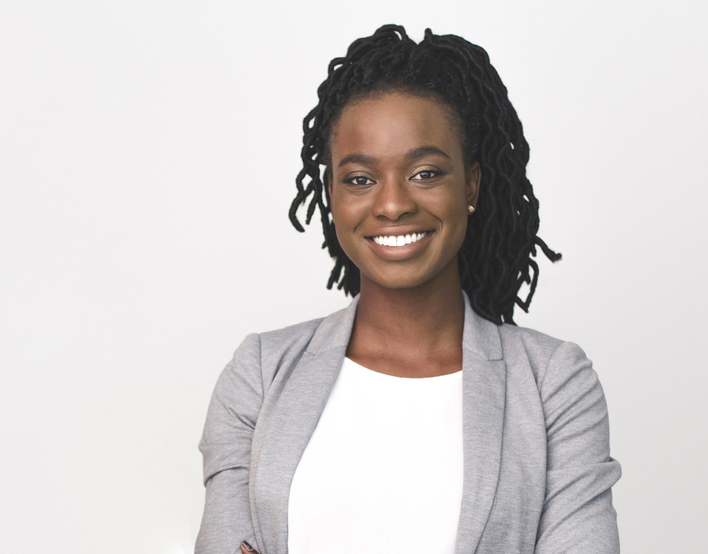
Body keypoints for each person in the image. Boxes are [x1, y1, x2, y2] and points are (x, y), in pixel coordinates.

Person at [195, 24, 621, 554]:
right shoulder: (260, 374)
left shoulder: (554, 385)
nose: (393, 204)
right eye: (359, 179)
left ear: (471, 184)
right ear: (331, 195)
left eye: (424, 172)